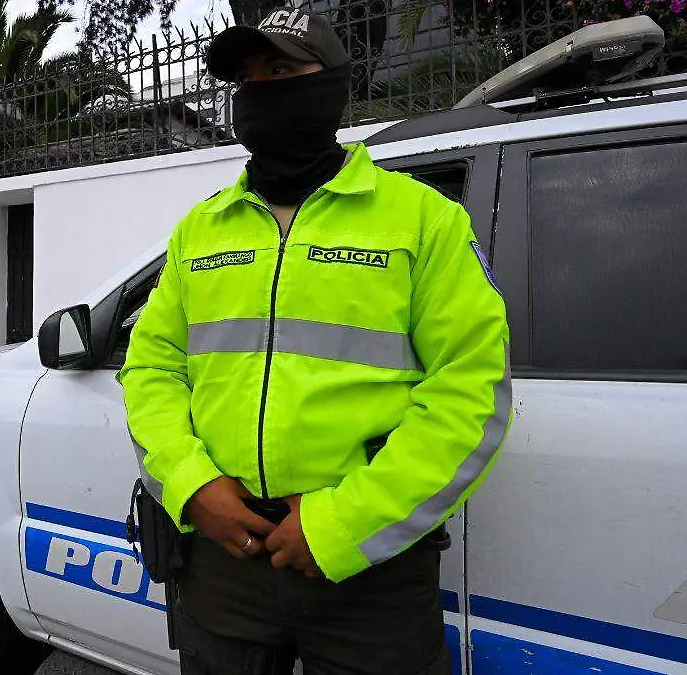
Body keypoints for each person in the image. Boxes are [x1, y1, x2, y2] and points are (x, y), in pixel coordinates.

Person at [116, 7, 512, 675]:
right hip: (224, 564)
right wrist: (192, 486)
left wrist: (341, 524)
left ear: (331, 85)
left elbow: (471, 392)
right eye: (247, 77)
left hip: (370, 572)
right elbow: (151, 368)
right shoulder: (200, 231)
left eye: (280, 70)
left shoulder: (424, 221)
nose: (259, 89)